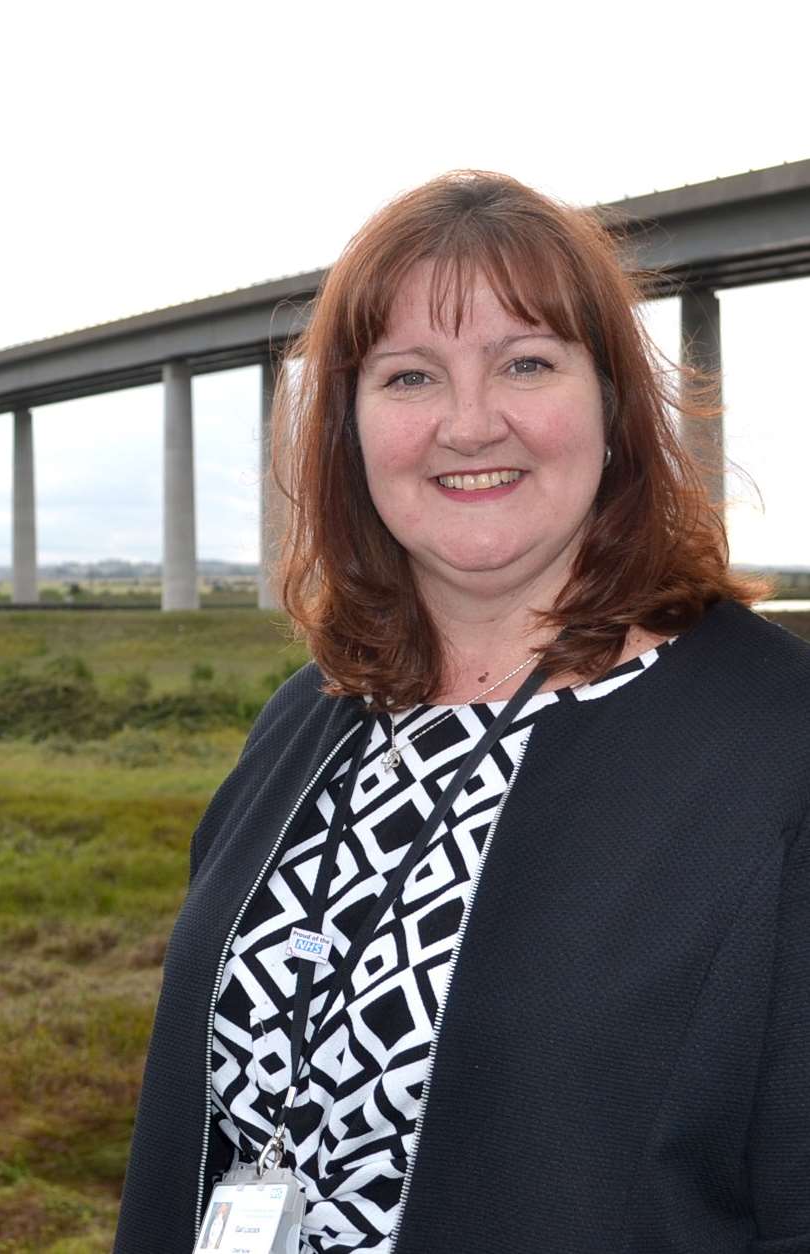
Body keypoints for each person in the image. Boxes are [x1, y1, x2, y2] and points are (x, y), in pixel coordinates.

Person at [113, 171, 810, 1254]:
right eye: (408, 377)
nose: (468, 423)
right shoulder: (310, 719)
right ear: (348, 430)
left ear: (615, 408)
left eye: (525, 363)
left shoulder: (778, 746)